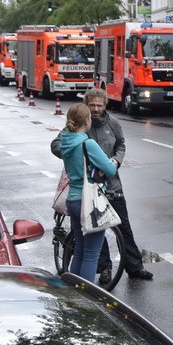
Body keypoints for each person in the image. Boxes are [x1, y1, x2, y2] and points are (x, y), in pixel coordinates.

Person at [50, 88, 153, 283]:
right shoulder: (76, 130)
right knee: (92, 244)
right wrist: (80, 158)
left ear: (105, 105)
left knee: (122, 229)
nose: (96, 109)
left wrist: (117, 160)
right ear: (86, 109)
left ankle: (134, 266)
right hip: (91, 190)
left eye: (99, 105)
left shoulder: (112, 123)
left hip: (110, 187)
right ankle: (104, 269)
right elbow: (56, 146)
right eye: (92, 105)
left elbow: (121, 145)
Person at [58, 103, 118, 283]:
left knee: (80, 250)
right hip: (89, 201)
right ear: (86, 120)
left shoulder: (66, 141)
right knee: (92, 254)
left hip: (73, 200)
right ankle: (87, 299)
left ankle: (74, 292)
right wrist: (111, 163)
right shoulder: (87, 143)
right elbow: (109, 169)